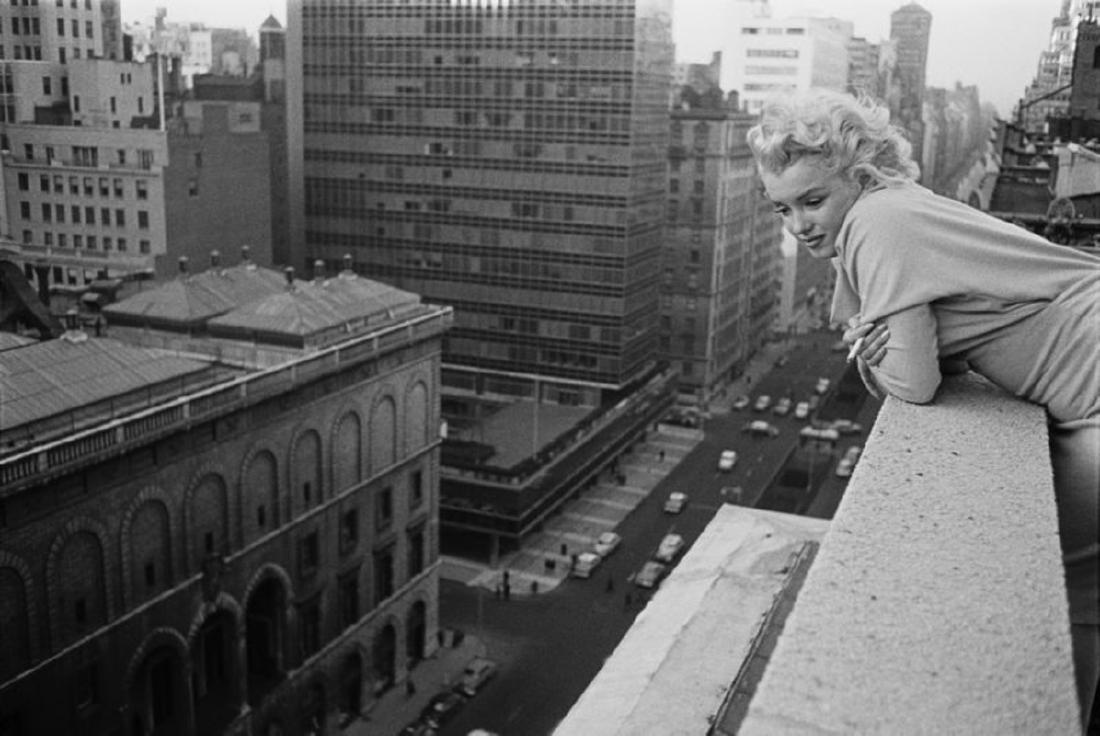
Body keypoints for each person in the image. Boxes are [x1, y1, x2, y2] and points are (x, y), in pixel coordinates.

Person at [748, 87, 1100, 726]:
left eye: (812, 199)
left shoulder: (878, 224)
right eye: (782, 209)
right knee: (1082, 599)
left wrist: (872, 347)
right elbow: (945, 351)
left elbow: (913, 382)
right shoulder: (891, 210)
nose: (797, 225)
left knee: (1070, 599)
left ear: (858, 177)